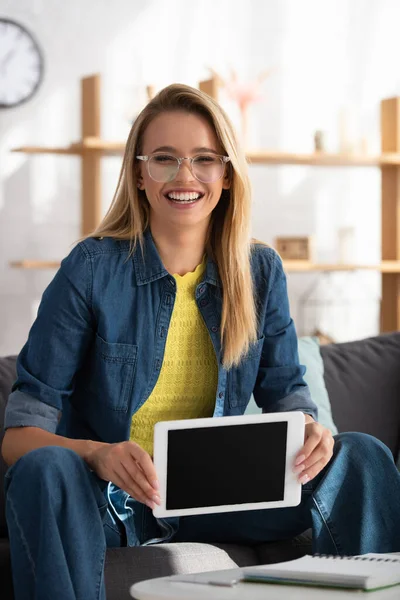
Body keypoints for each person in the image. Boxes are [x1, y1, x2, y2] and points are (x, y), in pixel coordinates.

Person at [2, 83, 400, 600]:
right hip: (108, 502)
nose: (184, 176)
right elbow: (18, 436)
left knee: (361, 456)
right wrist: (97, 454)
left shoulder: (259, 271)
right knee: (46, 468)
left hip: (220, 497)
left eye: (204, 159)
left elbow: (289, 394)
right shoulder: (92, 268)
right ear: (139, 174)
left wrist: (310, 430)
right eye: (164, 159)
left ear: (227, 174)